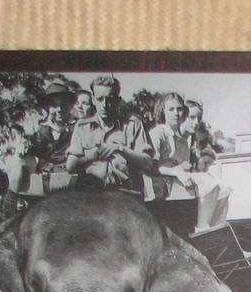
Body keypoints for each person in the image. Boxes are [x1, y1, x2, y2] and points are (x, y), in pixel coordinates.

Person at [148, 91, 235, 232]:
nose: (176, 113)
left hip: (179, 181)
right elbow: (151, 165)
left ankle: (216, 229)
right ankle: (202, 228)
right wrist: (177, 172)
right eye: (171, 109)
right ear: (162, 112)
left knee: (224, 190)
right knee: (210, 183)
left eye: (179, 109)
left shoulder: (181, 140)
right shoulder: (158, 132)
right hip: (164, 182)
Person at [64, 75, 157, 198]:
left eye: (110, 99)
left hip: (125, 193)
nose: (105, 105)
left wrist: (120, 149)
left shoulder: (133, 125)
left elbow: (148, 164)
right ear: (93, 99)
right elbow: (70, 166)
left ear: (118, 100)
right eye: (100, 99)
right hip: (91, 194)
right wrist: (92, 156)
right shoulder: (82, 127)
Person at [2, 80, 81, 202]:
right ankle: (9, 204)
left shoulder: (76, 126)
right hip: (44, 171)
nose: (59, 109)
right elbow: (29, 150)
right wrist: (23, 149)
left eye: (63, 104)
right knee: (17, 161)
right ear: (47, 107)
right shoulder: (39, 127)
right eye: (54, 105)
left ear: (69, 106)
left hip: (67, 171)